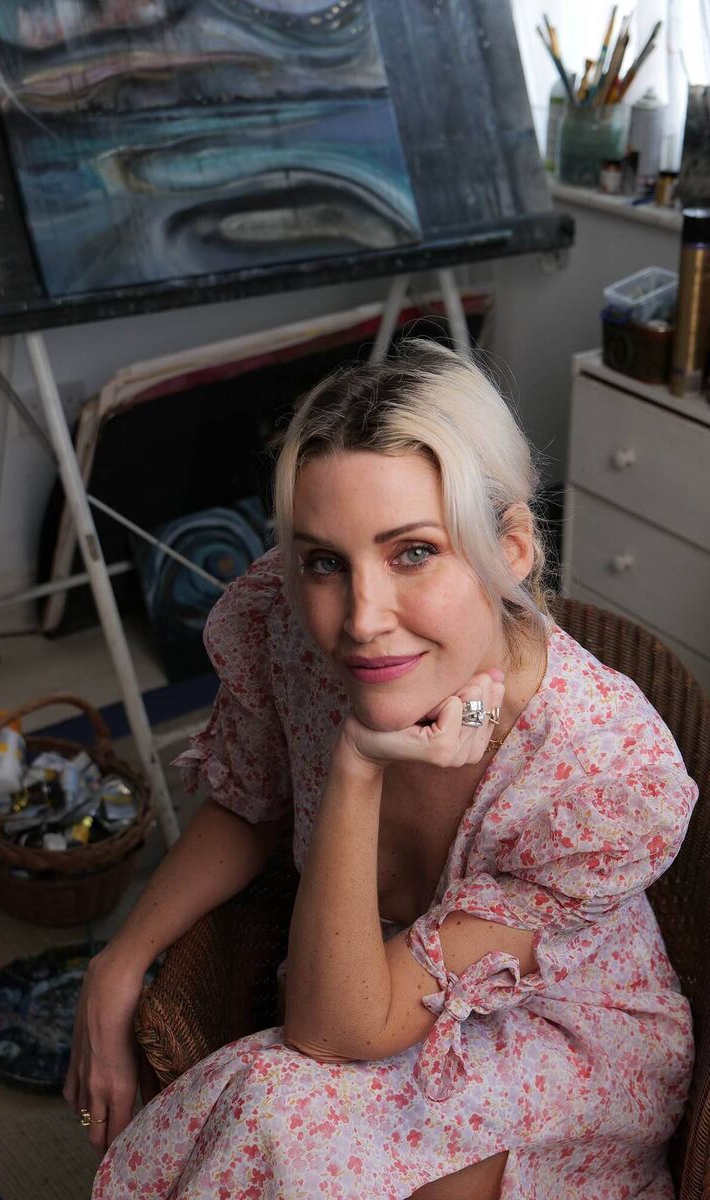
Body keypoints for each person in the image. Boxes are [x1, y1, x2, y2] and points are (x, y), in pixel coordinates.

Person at [67, 340, 696, 1200]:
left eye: (412, 553)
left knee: (278, 1116)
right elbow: (250, 803)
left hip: (557, 1037)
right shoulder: (289, 626)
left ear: (510, 547)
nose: (361, 620)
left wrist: (357, 762)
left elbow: (330, 1034)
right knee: (273, 1119)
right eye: (326, 561)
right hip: (360, 983)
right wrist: (119, 962)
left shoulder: (603, 777)